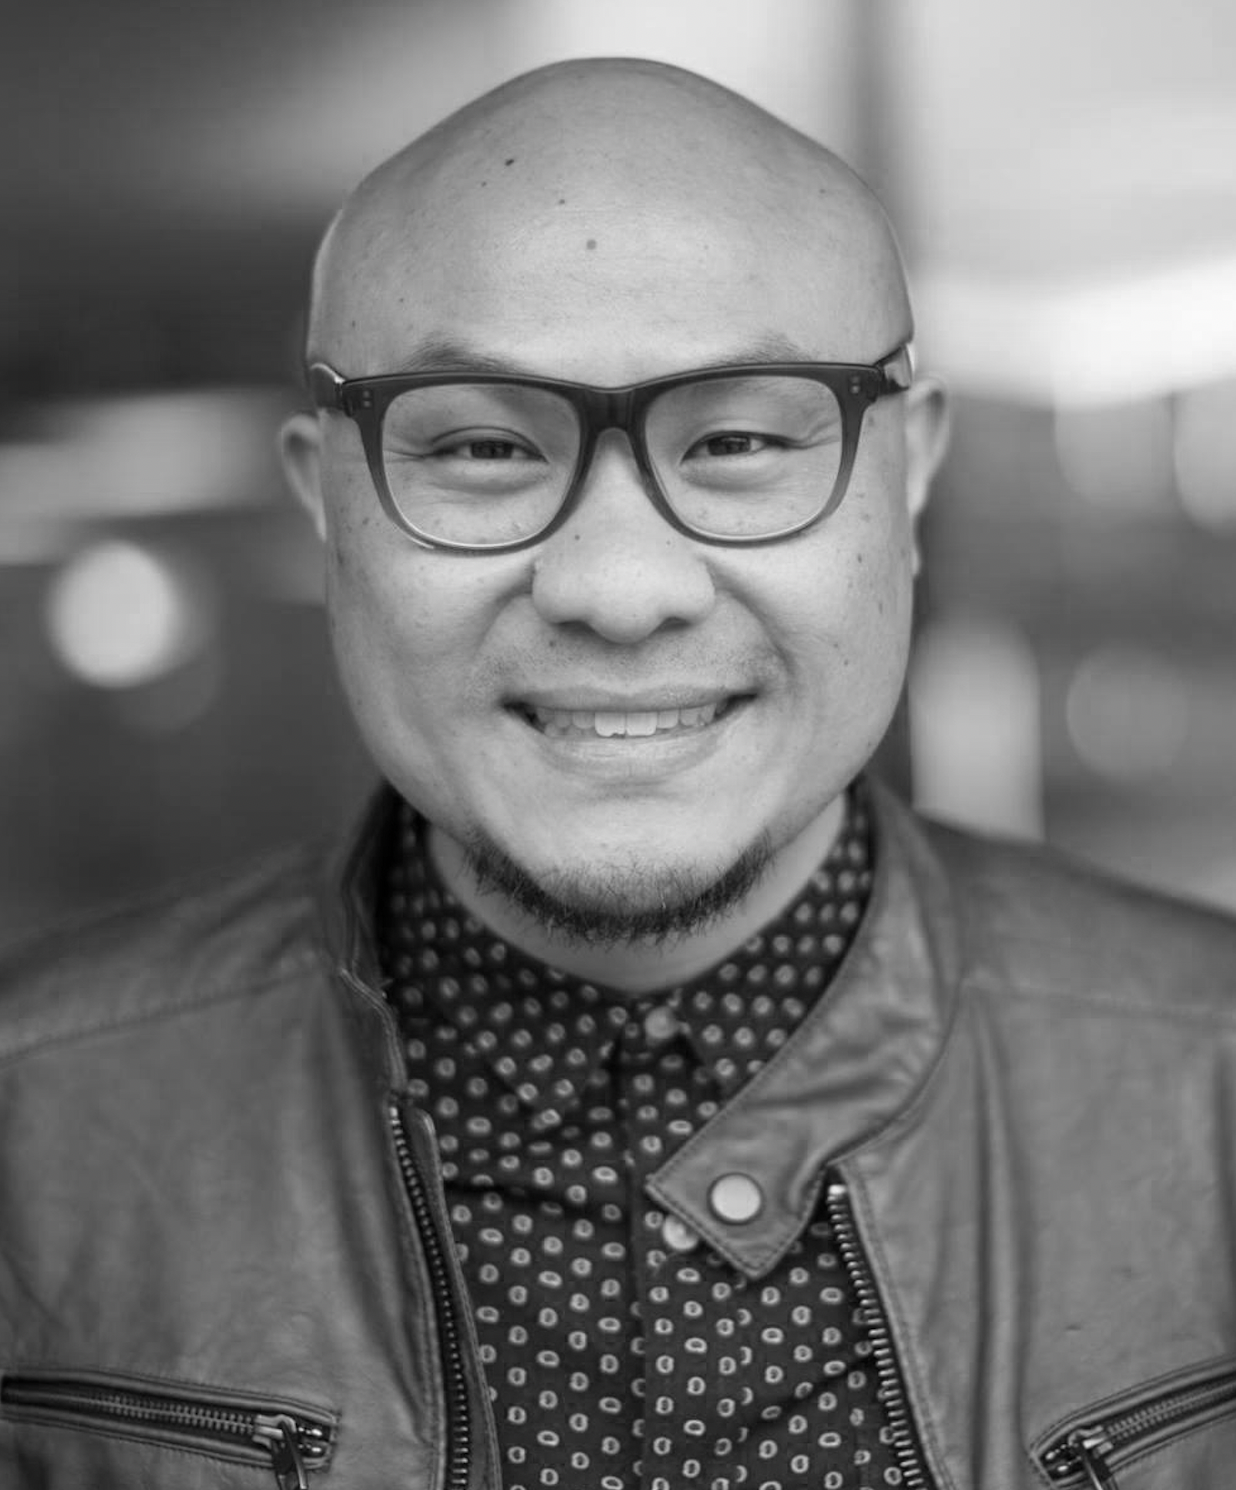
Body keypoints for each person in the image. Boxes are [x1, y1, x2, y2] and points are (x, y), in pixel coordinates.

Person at [2, 56, 1235, 1490]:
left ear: (909, 480)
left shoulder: (1212, 1080)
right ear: (325, 506)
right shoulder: (30, 1134)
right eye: (481, 447)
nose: (619, 588)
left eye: (739, 441)